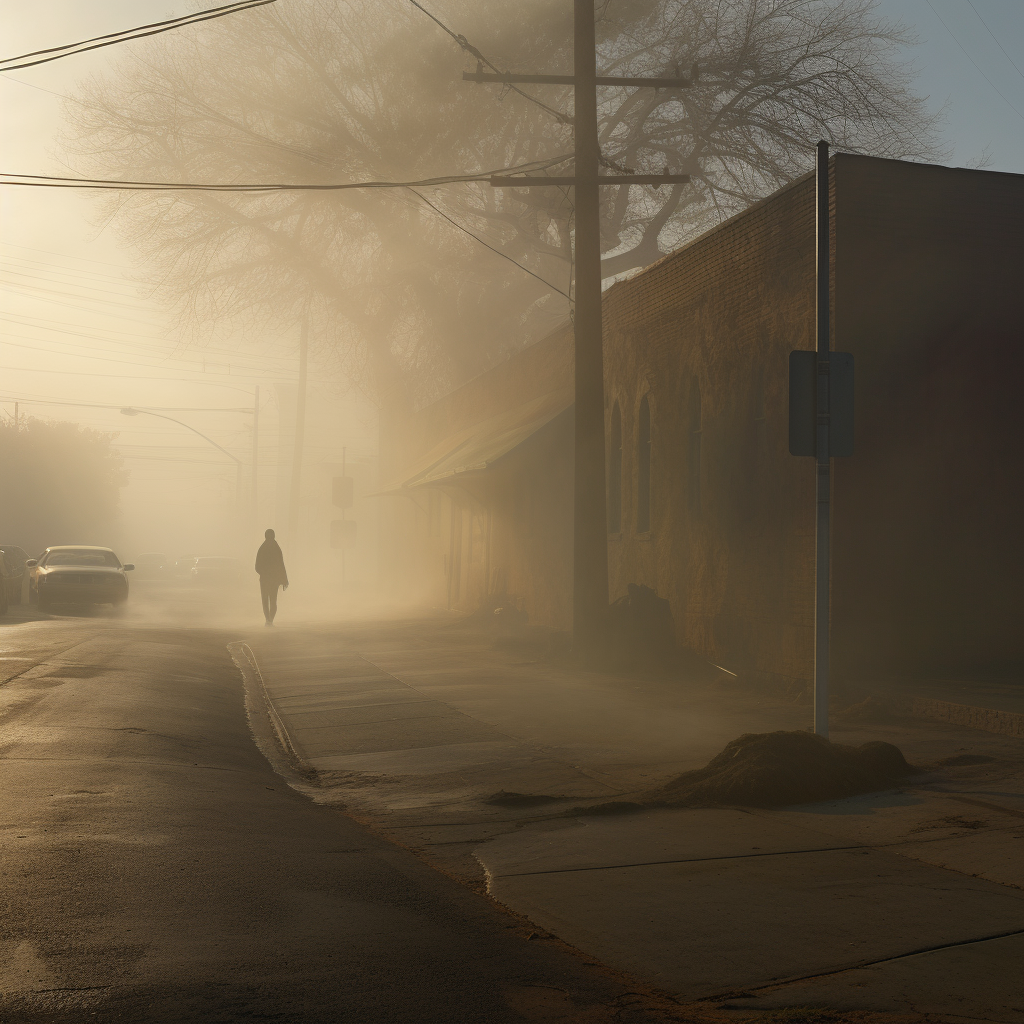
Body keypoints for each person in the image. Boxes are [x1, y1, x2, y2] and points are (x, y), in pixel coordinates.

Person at [255, 528, 288, 625]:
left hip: (266, 579)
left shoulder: (262, 548)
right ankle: (270, 620)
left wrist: (264, 573)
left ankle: (268, 620)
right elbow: (281, 565)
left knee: (266, 600)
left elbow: (257, 566)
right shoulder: (276, 548)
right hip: (274, 579)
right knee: (273, 600)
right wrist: (284, 578)